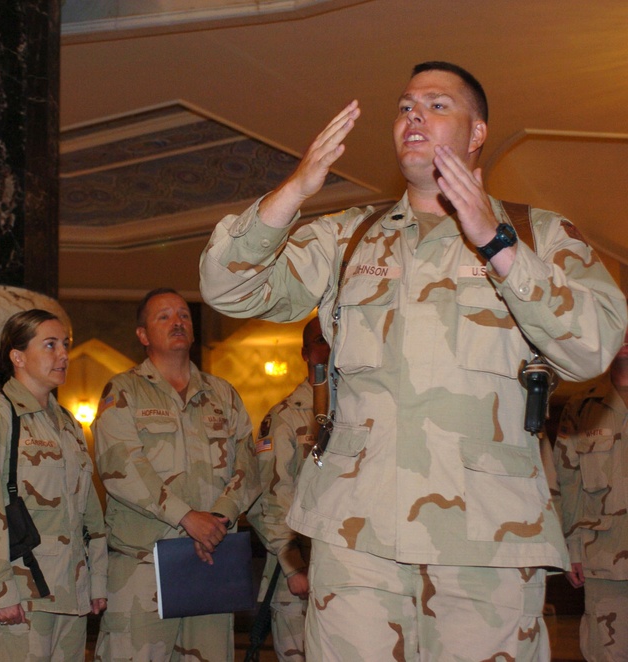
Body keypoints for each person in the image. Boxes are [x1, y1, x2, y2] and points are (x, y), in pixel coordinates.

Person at [199, 61, 628, 659]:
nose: (413, 117)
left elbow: (594, 346)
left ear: (478, 133)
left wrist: (496, 242)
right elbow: (227, 287)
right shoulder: (348, 239)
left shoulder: (540, 235)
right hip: (356, 544)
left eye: (435, 104)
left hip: (488, 546)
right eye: (404, 107)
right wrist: (294, 190)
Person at [92, 288, 260, 661]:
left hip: (211, 560)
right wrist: (187, 518)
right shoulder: (123, 392)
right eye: (164, 317)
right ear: (143, 335)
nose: (177, 322)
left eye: (183, 314)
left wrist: (218, 519)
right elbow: (121, 466)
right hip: (144, 566)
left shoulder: (223, 395)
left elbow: (249, 464)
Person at [0, 309, 108, 660]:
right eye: (50, 345)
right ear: (18, 356)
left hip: (69, 596)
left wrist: (96, 579)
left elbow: (90, 512)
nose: (64, 355)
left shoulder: (68, 423)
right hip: (19, 598)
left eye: (65, 345)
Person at [247, 316, 329, 661]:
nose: (329, 347)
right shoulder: (285, 417)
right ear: (305, 354)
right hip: (298, 575)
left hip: (344, 571)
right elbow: (267, 498)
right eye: (320, 341)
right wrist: (293, 565)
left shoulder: (358, 411)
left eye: (336, 337)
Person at [553, 328, 628, 662]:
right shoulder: (581, 406)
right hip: (605, 561)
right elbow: (565, 483)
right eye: (620, 330)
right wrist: (570, 548)